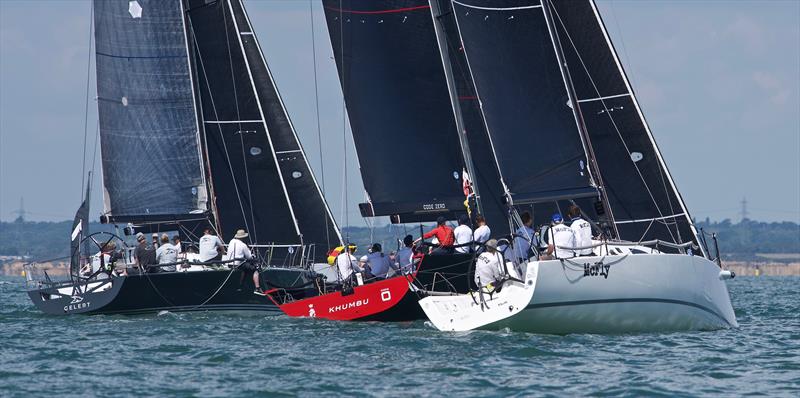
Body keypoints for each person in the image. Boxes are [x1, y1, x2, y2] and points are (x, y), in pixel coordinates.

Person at [224, 229, 264, 294]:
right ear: (243, 237)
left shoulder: (231, 241)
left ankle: (240, 286)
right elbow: (249, 257)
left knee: (245, 268)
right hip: (238, 264)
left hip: (229, 263)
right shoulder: (243, 245)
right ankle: (257, 288)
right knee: (255, 269)